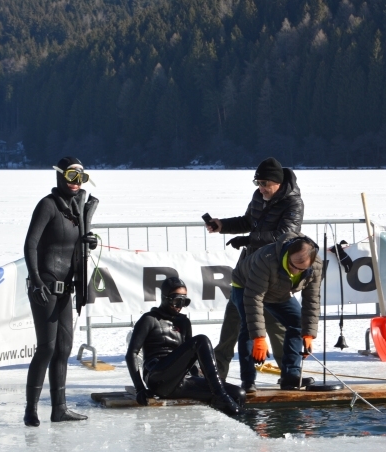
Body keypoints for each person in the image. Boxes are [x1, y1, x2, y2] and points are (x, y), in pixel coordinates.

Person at [206, 157, 304, 381]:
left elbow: (285, 235)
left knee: (274, 325)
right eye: (257, 184)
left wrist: (249, 240)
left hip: (272, 273)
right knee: (233, 323)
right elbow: (248, 221)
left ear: (277, 183)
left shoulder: (293, 203)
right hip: (246, 271)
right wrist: (223, 226)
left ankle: (290, 374)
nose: (261, 189)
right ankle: (217, 374)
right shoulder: (258, 197)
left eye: (265, 185)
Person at [23, 157, 99, 427]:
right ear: (59, 176)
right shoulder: (48, 205)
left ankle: (60, 409)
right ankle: (31, 409)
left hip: (66, 288)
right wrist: (35, 280)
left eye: (81, 177)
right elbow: (30, 245)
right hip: (45, 285)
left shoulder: (77, 211)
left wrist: (88, 242)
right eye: (71, 176)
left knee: (64, 348)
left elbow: (74, 249)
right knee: (47, 347)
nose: (76, 183)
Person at [124, 277, 244, 416]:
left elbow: (190, 358)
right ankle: (220, 395)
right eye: (176, 300)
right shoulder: (149, 319)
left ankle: (233, 413)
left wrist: (198, 377)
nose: (180, 305)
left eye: (184, 301)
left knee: (238, 393)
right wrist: (139, 388)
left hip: (179, 381)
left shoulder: (183, 322)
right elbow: (131, 354)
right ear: (165, 297)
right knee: (201, 340)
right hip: (158, 378)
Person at [231, 232, 321, 392]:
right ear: (288, 254)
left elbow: (312, 300)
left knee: (298, 323)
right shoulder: (266, 258)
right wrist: (259, 338)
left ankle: (290, 376)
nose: (295, 271)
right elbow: (254, 298)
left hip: (279, 290)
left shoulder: (316, 267)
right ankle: (248, 380)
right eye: (292, 265)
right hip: (246, 286)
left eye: (301, 269)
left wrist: (308, 333)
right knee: (249, 327)